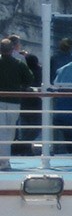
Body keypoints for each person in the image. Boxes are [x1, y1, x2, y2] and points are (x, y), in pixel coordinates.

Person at [0, 37, 35, 170]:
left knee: (1, 131)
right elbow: (29, 78)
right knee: (9, 132)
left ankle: (3, 160)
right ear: (12, 49)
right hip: (14, 101)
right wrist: (23, 86)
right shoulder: (19, 63)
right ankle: (4, 160)